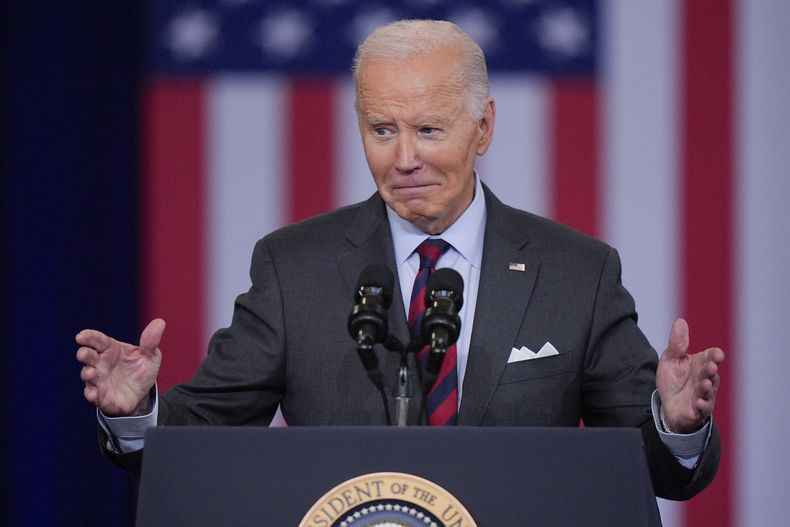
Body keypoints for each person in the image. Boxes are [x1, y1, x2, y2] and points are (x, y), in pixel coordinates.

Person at [76, 20, 723, 499]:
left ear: (484, 126)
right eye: (382, 129)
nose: (404, 157)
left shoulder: (576, 271)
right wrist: (137, 411)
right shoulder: (293, 267)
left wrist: (674, 420)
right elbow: (203, 437)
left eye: (429, 129)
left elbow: (659, 468)